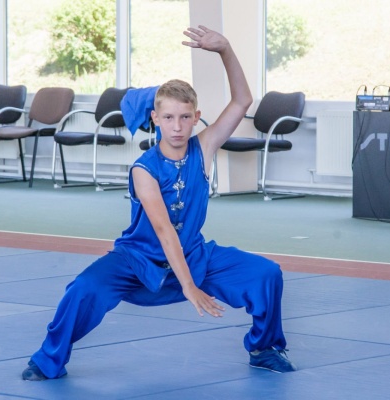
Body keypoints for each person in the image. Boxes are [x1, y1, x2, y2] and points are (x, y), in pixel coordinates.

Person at [22, 25, 296, 381]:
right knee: (83, 290)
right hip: (137, 259)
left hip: (194, 255)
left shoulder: (204, 147)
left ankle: (264, 348)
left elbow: (242, 101)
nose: (177, 127)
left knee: (266, 273)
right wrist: (189, 287)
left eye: (185, 117)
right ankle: (47, 360)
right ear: (155, 119)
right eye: (168, 117)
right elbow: (164, 231)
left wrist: (225, 49)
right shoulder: (144, 169)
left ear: (196, 117)